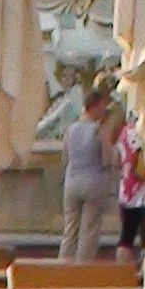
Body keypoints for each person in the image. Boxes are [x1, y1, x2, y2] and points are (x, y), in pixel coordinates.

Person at [58, 87, 114, 259]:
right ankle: (81, 271)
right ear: (95, 107)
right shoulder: (98, 131)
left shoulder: (70, 129)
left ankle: (62, 267)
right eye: (103, 107)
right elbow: (106, 160)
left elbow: (65, 158)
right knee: (89, 231)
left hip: (72, 183)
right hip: (93, 184)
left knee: (70, 230)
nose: (104, 111)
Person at [113, 111, 145, 258]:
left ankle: (120, 273)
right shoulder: (144, 132)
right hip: (144, 190)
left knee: (126, 237)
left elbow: (116, 161)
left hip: (126, 191)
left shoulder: (123, 132)